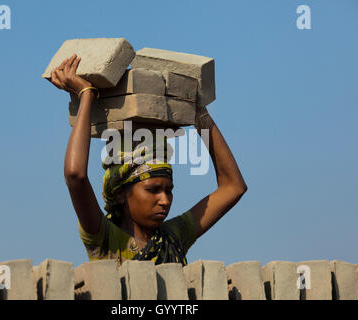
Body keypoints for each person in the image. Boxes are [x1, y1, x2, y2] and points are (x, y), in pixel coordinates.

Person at [49, 53, 248, 266]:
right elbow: (75, 175)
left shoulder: (173, 237)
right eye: (153, 190)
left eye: (169, 190)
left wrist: (198, 112)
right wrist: (86, 95)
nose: (165, 200)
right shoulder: (106, 239)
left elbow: (233, 186)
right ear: (120, 194)